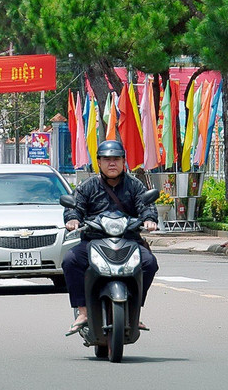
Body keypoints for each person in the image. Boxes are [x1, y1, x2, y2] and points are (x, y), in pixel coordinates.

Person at [62, 140, 159, 336]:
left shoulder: (134, 185)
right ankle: (83, 312)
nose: (112, 163)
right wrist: (72, 220)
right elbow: (74, 207)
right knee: (70, 260)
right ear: (99, 162)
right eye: (107, 159)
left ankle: (134, 310)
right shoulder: (88, 186)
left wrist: (149, 219)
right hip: (93, 241)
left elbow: (146, 205)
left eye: (116, 159)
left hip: (129, 241)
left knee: (149, 263)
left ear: (124, 161)